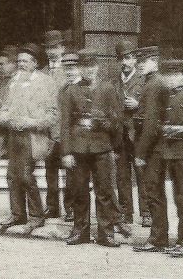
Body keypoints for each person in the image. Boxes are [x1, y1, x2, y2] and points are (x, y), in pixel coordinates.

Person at [134, 58, 183, 258]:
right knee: (179, 198)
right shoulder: (169, 97)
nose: (171, 79)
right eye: (167, 76)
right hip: (171, 154)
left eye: (175, 75)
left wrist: (182, 136)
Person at [59, 50, 122, 247]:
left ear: (97, 67)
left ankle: (106, 233)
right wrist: (66, 152)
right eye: (85, 67)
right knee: (79, 191)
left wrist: (101, 124)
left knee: (104, 192)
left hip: (102, 147)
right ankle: (80, 231)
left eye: (92, 66)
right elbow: (65, 124)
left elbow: (117, 121)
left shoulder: (108, 89)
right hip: (78, 149)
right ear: (80, 68)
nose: (89, 70)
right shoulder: (71, 91)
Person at [0, 44, 56, 233]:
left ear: (35, 64)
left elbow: (53, 116)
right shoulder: (13, 82)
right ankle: (18, 214)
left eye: (26, 61)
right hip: (14, 136)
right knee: (12, 176)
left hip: (32, 136)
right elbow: (5, 107)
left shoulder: (45, 82)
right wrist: (2, 116)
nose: (21, 64)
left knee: (27, 176)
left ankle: (37, 216)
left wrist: (31, 121)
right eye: (19, 61)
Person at [112, 39, 146, 225]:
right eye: (122, 59)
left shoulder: (143, 80)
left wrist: (138, 105)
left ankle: (146, 212)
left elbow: (151, 106)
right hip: (119, 135)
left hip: (138, 134)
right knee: (122, 175)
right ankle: (126, 212)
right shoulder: (113, 81)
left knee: (141, 172)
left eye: (129, 58)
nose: (125, 62)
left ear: (135, 60)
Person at [41, 29, 71, 219]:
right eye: (49, 48)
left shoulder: (68, 72)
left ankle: (70, 208)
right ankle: (52, 207)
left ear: (62, 49)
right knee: (50, 171)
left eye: (56, 47)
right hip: (46, 131)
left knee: (70, 172)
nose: (53, 51)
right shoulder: (42, 73)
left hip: (65, 130)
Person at [132, 45, 162, 227]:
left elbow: (150, 123)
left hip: (151, 144)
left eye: (144, 61)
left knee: (153, 189)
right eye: (139, 61)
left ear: (155, 62)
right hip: (149, 142)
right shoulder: (149, 82)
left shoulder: (153, 84)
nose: (140, 64)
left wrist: (141, 153)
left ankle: (157, 236)